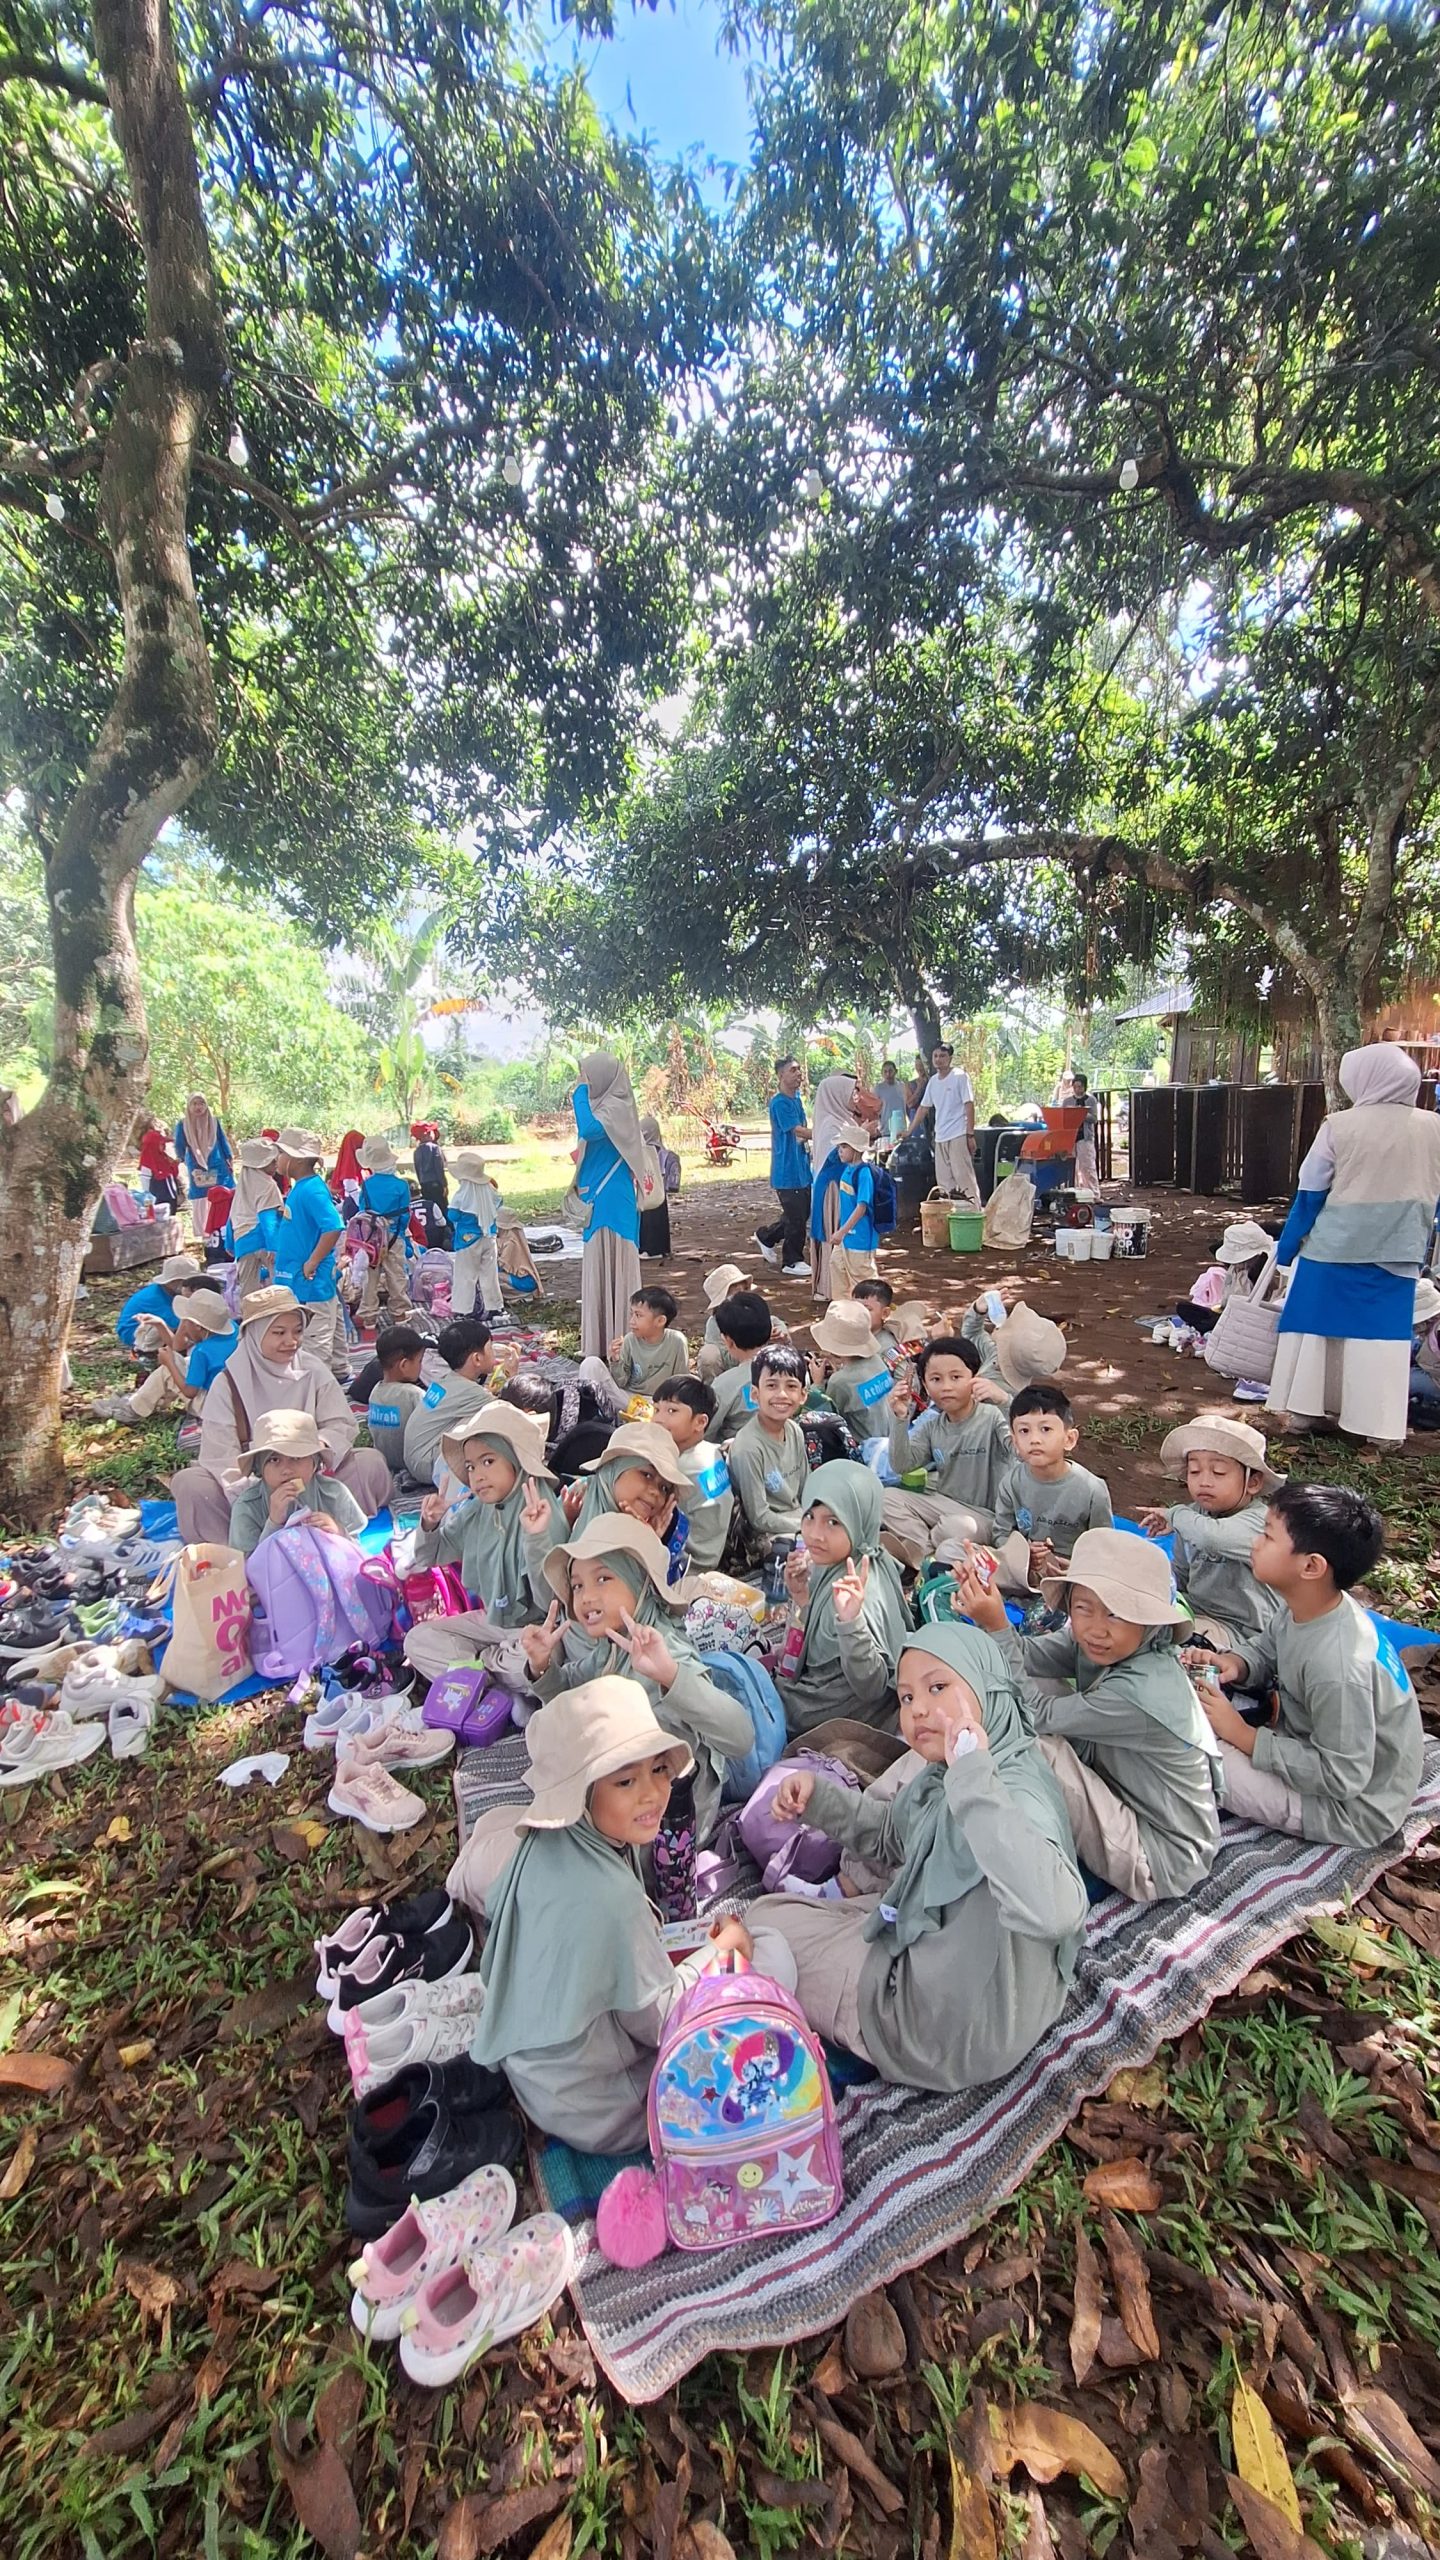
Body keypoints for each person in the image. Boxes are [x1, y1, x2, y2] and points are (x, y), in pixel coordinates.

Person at [748, 1623, 1086, 2092]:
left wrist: (974, 1782)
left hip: (946, 2030)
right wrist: (819, 1798)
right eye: (906, 1697)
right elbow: (891, 1835)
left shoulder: (1009, 1789)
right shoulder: (950, 1771)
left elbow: (1057, 1911)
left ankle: (860, 2027)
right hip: (979, 1988)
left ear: (987, 1686)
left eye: (938, 1687)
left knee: (762, 1928)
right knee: (778, 1913)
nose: (918, 1709)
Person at [459, 1680, 755, 2151]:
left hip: (539, 2076)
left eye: (659, 1770)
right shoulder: (613, 1898)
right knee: (772, 1956)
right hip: (604, 2108)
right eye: (625, 1781)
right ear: (580, 1793)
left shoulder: (542, 1841)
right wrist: (721, 1949)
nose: (653, 1794)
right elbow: (662, 2023)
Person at [956, 1529, 1221, 1904]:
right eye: (1083, 1608)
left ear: (1149, 1622)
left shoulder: (1140, 1692)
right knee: (1030, 1689)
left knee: (1030, 1744)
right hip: (1123, 1791)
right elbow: (1025, 1657)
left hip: (1161, 1856)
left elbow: (1035, 1713)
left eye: (1116, 1613)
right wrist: (988, 1609)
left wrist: (999, 1626)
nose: (1097, 1628)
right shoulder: (1100, 1643)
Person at [1194, 1482, 1424, 1848]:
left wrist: (1242, 1735)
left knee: (1198, 1762)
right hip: (1305, 1739)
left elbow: (1341, 1775)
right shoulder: (1309, 1605)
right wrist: (1236, 1663)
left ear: (1311, 1566)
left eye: (1267, 1536)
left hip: (1349, 1809)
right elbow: (1268, 1646)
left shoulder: (1339, 1667)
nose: (1255, 1543)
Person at [520, 1518, 752, 1842]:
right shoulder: (611, 1647)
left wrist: (671, 1676)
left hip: (668, 1826)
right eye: (578, 1585)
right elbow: (570, 1694)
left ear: (640, 1582)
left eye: (603, 1578)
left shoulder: (666, 1651)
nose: (586, 1597)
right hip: (623, 1797)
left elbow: (740, 1738)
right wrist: (542, 1665)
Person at [1267, 1042, 1440, 1447]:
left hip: (1333, 1249)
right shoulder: (1433, 1127)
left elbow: (1310, 1192)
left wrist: (1286, 1248)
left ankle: (1306, 1413)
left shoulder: (1339, 1125)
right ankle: (1379, 1430)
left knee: (1316, 1331)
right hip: (1399, 1251)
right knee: (1380, 1341)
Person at [172, 1284, 390, 1543]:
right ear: (255, 1334)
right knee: (190, 1484)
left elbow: (340, 1423)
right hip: (253, 1492)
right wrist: (260, 1492)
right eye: (279, 1332)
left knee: (368, 1463)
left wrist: (314, 1453)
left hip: (313, 1482)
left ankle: (330, 1532)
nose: (291, 1341)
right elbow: (221, 1456)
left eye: (297, 1331)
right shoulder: (228, 1383)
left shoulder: (312, 1370)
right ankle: (241, 1548)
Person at [1136, 1417, 1285, 1672]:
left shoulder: (1260, 1521)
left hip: (1244, 1635)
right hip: (1196, 1613)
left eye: (1219, 1472)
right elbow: (1181, 1574)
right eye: (1195, 1471)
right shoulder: (1193, 1517)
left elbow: (1213, 1538)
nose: (1204, 1481)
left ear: (1253, 1482)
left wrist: (1175, 1515)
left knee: (1163, 1647)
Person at [775, 1462, 910, 1736]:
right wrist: (802, 1597)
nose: (815, 1534)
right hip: (829, 1698)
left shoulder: (860, 1590)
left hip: (834, 1712)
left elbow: (872, 1686)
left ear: (859, 1521)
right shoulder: (852, 1559)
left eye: (833, 1522)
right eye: (809, 1516)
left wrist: (851, 1623)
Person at [411, 1406, 566, 1628]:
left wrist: (536, 1538)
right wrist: (429, 1524)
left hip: (535, 1630)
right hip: (492, 1619)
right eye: (470, 1467)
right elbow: (428, 1557)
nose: (477, 1476)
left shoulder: (542, 1514)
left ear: (516, 1461)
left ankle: (497, 1651)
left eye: (488, 1462)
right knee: (420, 1638)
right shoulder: (479, 1510)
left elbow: (551, 1603)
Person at [881, 1334, 1012, 1561]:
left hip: (986, 1517)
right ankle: (928, 1556)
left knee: (957, 1528)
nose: (946, 1387)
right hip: (944, 1505)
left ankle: (924, 1547)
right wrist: (900, 1418)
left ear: (975, 1377)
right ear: (924, 1384)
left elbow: (1020, 1448)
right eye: (936, 1379)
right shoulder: (933, 1426)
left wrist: (1005, 1401)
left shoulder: (992, 1416)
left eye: (956, 1377)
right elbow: (901, 1465)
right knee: (886, 1498)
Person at [992, 1383, 1114, 1592]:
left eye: (1046, 1429)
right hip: (1025, 1568)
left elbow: (1103, 1548)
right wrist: (1024, 1553)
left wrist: (1077, 1569)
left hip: (1073, 1574)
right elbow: (1001, 1534)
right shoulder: (1011, 1483)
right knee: (967, 1558)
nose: (1034, 1439)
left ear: (1069, 1439)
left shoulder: (1092, 1490)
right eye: (1024, 1431)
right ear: (1015, 1442)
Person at [572, 1051, 646, 1360]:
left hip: (612, 1200)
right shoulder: (604, 1106)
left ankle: (620, 1344)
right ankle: (600, 1343)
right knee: (599, 1263)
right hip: (599, 1197)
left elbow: (589, 1129)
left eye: (587, 1075)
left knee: (615, 1262)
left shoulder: (616, 1106)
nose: (584, 1081)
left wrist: (578, 1093)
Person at [228, 1408, 368, 1555]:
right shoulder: (247, 1507)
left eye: (296, 1458)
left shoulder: (334, 1494)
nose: (287, 1470)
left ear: (315, 1463)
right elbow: (246, 1563)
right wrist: (274, 1523)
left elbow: (355, 1549)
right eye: (274, 1460)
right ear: (259, 1469)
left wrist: (338, 1532)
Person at [93, 1286, 237, 1423]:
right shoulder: (234, 1329)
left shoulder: (203, 1351)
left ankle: (133, 1409)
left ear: (198, 1326)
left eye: (185, 1323)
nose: (184, 1327)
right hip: (234, 1400)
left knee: (167, 1370)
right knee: (181, 1361)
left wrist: (169, 1363)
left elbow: (190, 1392)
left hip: (212, 1407)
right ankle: (142, 1400)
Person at [272, 1130, 347, 1378]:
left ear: (296, 1159)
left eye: (281, 1153)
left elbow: (333, 1226)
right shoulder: (304, 1188)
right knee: (330, 1321)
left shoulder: (311, 1190)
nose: (278, 1159)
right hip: (305, 1274)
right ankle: (339, 1370)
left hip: (311, 1277)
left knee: (316, 1333)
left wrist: (312, 1261)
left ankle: (318, 1382)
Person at [727, 1344, 811, 1549]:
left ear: (803, 1395)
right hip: (769, 1534)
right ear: (755, 1394)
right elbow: (758, 1517)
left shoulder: (794, 1430)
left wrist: (816, 1518)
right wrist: (805, 1525)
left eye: (791, 1386)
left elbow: (806, 1489)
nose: (782, 1394)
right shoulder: (749, 1448)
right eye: (771, 1385)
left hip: (800, 1518)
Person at [401, 1316, 500, 1489]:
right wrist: (510, 1375)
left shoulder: (445, 1381)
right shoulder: (472, 1393)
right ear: (477, 1359)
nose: (495, 1354)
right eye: (490, 1348)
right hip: (428, 1464)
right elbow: (507, 1411)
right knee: (490, 1422)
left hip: (414, 1459)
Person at [808, 1070, 882, 1300]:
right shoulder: (831, 1123)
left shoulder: (843, 1119)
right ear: (837, 1095)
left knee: (842, 1247)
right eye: (852, 1093)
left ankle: (844, 1291)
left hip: (842, 1187)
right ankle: (830, 1289)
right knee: (834, 1237)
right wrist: (861, 1133)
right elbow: (835, 1157)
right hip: (832, 1188)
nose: (856, 1097)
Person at [651, 1378, 734, 1571]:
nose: (658, 1419)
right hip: (712, 1551)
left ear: (700, 1422)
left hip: (686, 1563)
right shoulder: (711, 1451)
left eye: (672, 1411)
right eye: (656, 1410)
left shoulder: (678, 1469)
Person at [754, 1057, 813, 1277]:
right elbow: (797, 1130)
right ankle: (792, 1260)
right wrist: (824, 1134)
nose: (799, 1074)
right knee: (796, 1217)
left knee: (800, 1213)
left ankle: (767, 1236)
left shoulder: (796, 1100)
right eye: (793, 1070)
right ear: (781, 1075)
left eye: (799, 1070)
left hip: (801, 1166)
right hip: (787, 1170)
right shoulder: (779, 1103)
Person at [804, 1298, 894, 1434]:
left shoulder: (840, 1381)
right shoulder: (876, 1360)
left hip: (862, 1444)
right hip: (888, 1437)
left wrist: (817, 1384)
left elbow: (824, 1416)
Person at [905, 1044, 979, 1208]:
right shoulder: (933, 1082)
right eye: (936, 1056)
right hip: (940, 1136)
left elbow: (969, 1105)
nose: (938, 1059)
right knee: (944, 1181)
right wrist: (909, 1131)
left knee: (963, 1177)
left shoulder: (960, 1076)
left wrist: (970, 1134)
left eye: (942, 1056)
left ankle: (974, 1213)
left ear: (950, 1058)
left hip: (958, 1134)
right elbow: (923, 1108)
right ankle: (950, 1215)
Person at [962, 1297, 1068, 1407]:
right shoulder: (995, 1356)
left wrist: (1004, 1401)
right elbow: (973, 1334)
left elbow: (1017, 1415)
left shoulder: (1011, 1399)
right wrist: (978, 1311)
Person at [1175, 1219, 1274, 1337]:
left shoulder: (1266, 1268)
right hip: (1232, 1314)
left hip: (1254, 1318)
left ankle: (1215, 1324)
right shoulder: (1236, 1269)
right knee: (1184, 1308)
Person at [356, 1137, 414, 1332]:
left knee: (370, 1276)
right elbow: (405, 1214)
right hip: (394, 1234)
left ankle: (369, 1317)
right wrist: (399, 1232)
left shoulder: (366, 1185)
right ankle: (399, 1313)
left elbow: (362, 1210)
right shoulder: (401, 1185)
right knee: (396, 1274)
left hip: (371, 1236)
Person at [363, 1327, 430, 1478]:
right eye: (419, 1361)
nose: (421, 1366)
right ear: (404, 1365)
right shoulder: (413, 1394)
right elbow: (436, 1418)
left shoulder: (375, 1392)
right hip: (413, 1464)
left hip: (384, 1461)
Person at [707, 1291, 779, 1434]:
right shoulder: (795, 1372)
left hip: (738, 1446)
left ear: (728, 1341)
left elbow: (707, 1431)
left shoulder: (724, 1385)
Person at [601, 1286, 690, 1401]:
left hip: (659, 1402)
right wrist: (615, 1359)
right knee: (591, 1364)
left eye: (638, 1315)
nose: (631, 1321)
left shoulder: (676, 1341)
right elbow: (621, 1382)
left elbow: (680, 1382)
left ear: (660, 1321)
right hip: (628, 1398)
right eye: (632, 1314)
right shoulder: (629, 1340)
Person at [448, 1147, 503, 1320]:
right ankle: (494, 1306)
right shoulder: (490, 1192)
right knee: (490, 1274)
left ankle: (464, 1309)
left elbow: (452, 1215)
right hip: (489, 1236)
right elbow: (499, 1203)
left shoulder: (461, 1196)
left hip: (467, 1240)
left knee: (466, 1275)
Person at [228, 1137, 285, 1300]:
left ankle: (248, 1314)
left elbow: (233, 1215)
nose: (275, 1165)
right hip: (263, 1240)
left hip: (243, 1242)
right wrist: (274, 1246)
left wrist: (230, 1243)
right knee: (279, 1286)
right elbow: (268, 1218)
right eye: (272, 1161)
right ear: (261, 1164)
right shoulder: (268, 1185)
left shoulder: (242, 1186)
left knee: (248, 1291)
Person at [112, 1253, 201, 1353]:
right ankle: (146, 1352)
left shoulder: (168, 1292)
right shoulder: (155, 1298)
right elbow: (179, 1322)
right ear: (175, 1282)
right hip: (134, 1332)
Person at [174, 1094, 233, 1242]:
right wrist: (179, 1159)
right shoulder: (183, 1125)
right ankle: (206, 1237)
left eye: (201, 1103)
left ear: (206, 1105)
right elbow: (180, 1145)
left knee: (222, 1195)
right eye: (194, 1104)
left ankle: (224, 1231)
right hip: (197, 1166)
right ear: (189, 1106)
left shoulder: (214, 1122)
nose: (198, 1107)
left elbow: (222, 1140)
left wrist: (229, 1157)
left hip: (218, 1165)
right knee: (202, 1197)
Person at [831, 1125, 880, 1298]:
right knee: (836, 1266)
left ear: (857, 1149)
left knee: (863, 1281)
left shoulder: (864, 1173)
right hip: (846, 1237)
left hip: (860, 1237)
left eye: (844, 1146)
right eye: (840, 1146)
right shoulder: (847, 1170)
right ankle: (843, 1308)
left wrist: (842, 1231)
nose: (840, 1150)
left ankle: (873, 1311)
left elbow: (862, 1207)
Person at [697, 1262, 750, 1381]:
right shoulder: (714, 1324)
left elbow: (774, 1323)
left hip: (760, 1372)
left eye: (745, 1289)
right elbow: (723, 1357)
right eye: (736, 1292)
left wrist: (778, 1334)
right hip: (727, 1372)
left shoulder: (757, 1313)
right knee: (708, 1354)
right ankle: (712, 1389)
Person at [638, 1113, 679, 1260]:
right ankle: (661, 1248)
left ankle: (648, 1249)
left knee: (646, 1219)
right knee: (660, 1219)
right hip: (659, 1193)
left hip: (645, 1191)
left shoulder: (640, 1153)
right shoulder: (666, 1154)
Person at [411, 1123, 450, 1244]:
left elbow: (417, 1170)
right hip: (436, 1184)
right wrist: (444, 1184)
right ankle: (446, 1235)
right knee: (442, 1208)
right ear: (427, 1134)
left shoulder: (416, 1151)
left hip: (424, 1185)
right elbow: (439, 1168)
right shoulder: (435, 1148)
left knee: (430, 1208)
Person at [135, 1117, 182, 1209]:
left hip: (169, 1198)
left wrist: (176, 1163)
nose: (163, 1146)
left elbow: (172, 1171)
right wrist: (149, 1208)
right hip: (159, 1201)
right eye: (161, 1144)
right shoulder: (148, 1162)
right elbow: (146, 1190)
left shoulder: (163, 1157)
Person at [1070, 1073, 1100, 1195]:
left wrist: (1082, 1114)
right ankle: (1074, 1193)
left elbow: (1094, 1118)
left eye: (1080, 1087)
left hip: (1085, 1136)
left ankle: (1093, 1193)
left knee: (1088, 1166)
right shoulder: (1067, 1101)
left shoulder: (1091, 1100)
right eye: (1075, 1087)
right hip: (1071, 1137)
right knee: (1072, 1168)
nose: (1077, 1089)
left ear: (1084, 1087)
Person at [852, 1277, 898, 1354]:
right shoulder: (850, 1335)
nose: (858, 1313)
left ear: (885, 1313)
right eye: (854, 1307)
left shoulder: (887, 1348)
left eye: (867, 1309)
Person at [330, 1132, 366, 1217]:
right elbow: (351, 1187)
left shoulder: (349, 1163)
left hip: (351, 1204)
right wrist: (363, 1206)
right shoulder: (349, 1165)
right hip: (355, 1206)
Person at [874, 1060, 907, 1145]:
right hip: (886, 1129)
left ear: (895, 1071)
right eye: (885, 1072)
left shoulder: (902, 1086)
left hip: (901, 1128)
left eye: (890, 1071)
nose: (888, 1074)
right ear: (882, 1073)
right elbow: (875, 1109)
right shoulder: (878, 1088)